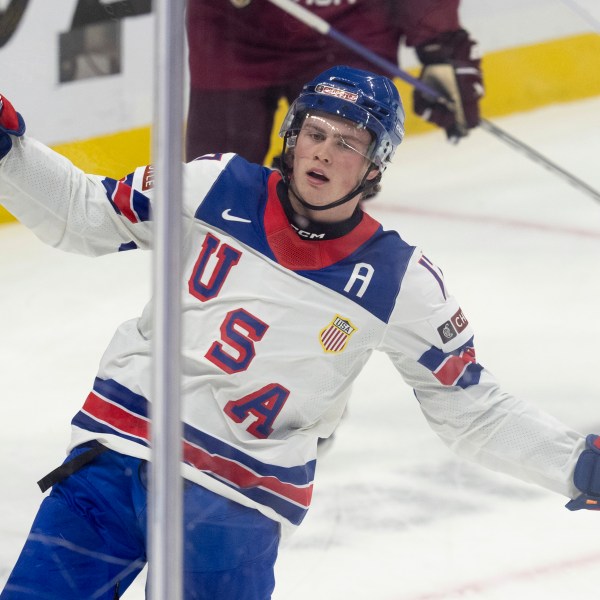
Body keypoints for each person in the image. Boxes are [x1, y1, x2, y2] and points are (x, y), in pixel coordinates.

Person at [0, 66, 598, 600]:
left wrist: (575, 465)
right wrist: (9, 153)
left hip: (230, 507)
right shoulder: (214, 186)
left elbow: (473, 411)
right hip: (117, 456)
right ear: (292, 138)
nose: (324, 153)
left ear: (374, 166)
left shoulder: (401, 282)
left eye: (348, 142)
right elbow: (86, 215)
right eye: (314, 132)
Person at [185, 0, 484, 163]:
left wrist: (439, 43)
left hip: (352, 21)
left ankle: (313, 266)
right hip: (234, 30)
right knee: (215, 177)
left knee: (335, 170)